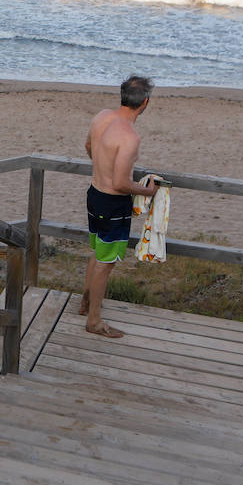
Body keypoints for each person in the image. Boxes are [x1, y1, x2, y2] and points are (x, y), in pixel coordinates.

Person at [79, 75, 158, 339]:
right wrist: (149, 191)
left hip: (94, 193)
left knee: (97, 252)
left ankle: (86, 304)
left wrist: (101, 166)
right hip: (113, 202)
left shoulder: (102, 116)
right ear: (145, 102)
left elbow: (89, 146)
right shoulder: (130, 136)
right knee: (106, 261)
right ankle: (94, 321)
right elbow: (122, 183)